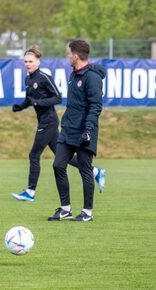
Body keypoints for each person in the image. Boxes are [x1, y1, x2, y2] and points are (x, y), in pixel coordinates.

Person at [11, 45, 105, 202]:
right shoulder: (28, 79)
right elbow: (30, 100)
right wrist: (20, 107)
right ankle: (96, 172)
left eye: (31, 61)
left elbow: (57, 98)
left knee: (34, 155)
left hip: (49, 121)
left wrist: (38, 102)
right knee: (62, 157)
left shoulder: (44, 78)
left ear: (38, 62)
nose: (28, 64)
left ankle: (30, 192)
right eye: (26, 61)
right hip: (43, 121)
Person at [48, 39, 106, 222]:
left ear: (75, 55)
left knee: (85, 170)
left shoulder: (92, 77)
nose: (67, 57)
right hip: (68, 129)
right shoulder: (74, 74)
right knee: (58, 165)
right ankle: (65, 209)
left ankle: (87, 212)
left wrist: (88, 129)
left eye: (68, 53)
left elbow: (95, 106)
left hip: (84, 131)